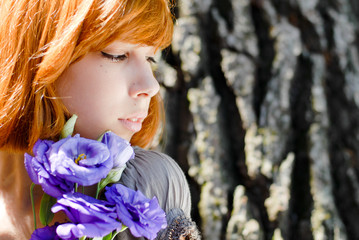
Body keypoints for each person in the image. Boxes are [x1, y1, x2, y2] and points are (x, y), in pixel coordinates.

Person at [0, 0, 200, 239]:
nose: (151, 86)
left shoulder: (145, 192)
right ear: (40, 55)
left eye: (150, 58)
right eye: (117, 55)